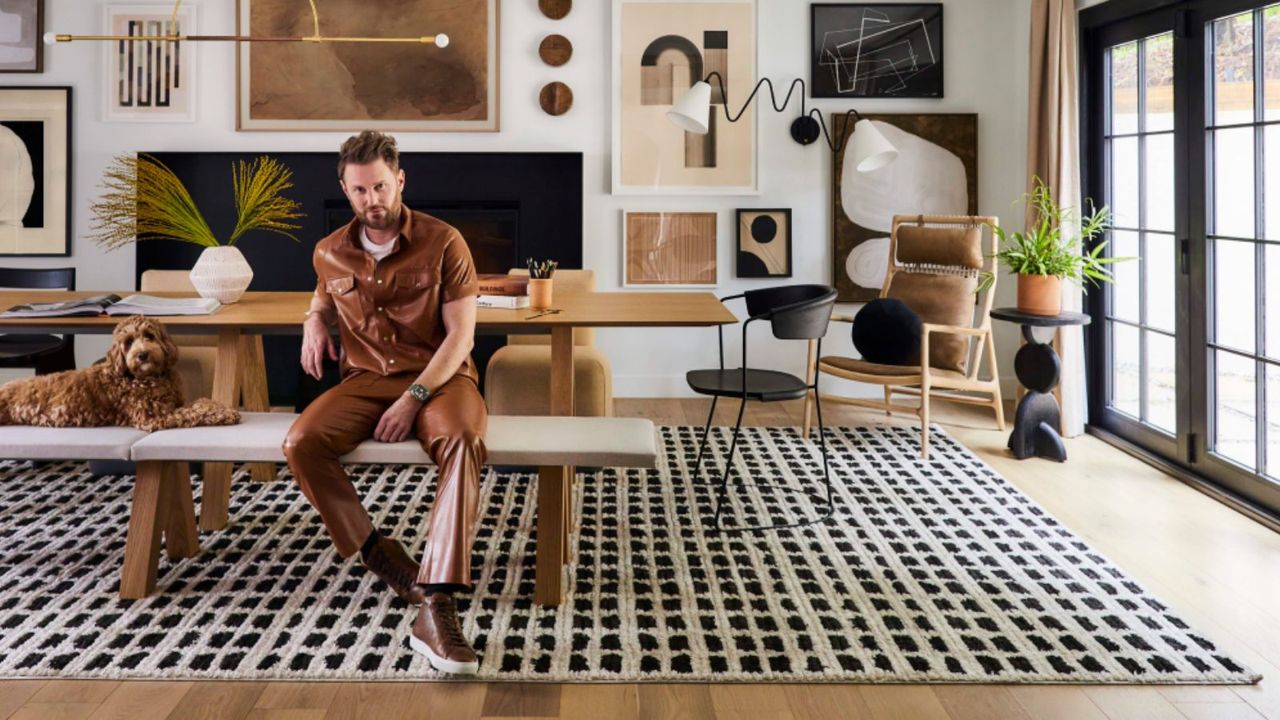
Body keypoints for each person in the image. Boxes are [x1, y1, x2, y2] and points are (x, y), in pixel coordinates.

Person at [283, 131, 486, 675]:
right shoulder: (329, 251)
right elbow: (325, 293)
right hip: (365, 380)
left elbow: (461, 338)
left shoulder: (446, 242)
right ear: (344, 190)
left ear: (399, 181)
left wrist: (414, 397)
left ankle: (437, 602)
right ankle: (380, 554)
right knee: (301, 442)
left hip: (441, 379)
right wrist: (312, 320)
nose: (371, 199)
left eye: (379, 186)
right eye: (359, 190)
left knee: (463, 440)